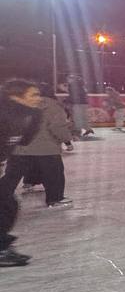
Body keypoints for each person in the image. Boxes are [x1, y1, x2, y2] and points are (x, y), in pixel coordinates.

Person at [9, 83, 73, 208]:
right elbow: (57, 127)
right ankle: (54, 199)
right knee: (53, 174)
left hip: (19, 148)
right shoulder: (52, 106)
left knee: (11, 176)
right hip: (46, 148)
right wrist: (67, 139)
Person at [0, 80, 43, 266]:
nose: (38, 98)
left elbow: (24, 141)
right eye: (33, 95)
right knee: (6, 204)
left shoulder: (25, 115)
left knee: (8, 205)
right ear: (15, 97)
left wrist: (35, 116)